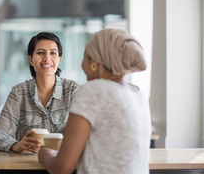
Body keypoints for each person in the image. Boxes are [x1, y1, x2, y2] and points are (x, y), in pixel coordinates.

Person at [38, 28, 152, 174]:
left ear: (95, 63)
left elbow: (62, 168)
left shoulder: (92, 91)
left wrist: (45, 154)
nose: (82, 64)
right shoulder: (138, 94)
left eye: (85, 57)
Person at [0, 32, 80, 154]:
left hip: (63, 166)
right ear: (30, 59)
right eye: (40, 52)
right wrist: (16, 145)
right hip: (28, 167)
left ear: (59, 60)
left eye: (53, 53)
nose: (47, 58)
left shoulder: (74, 90)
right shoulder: (19, 93)